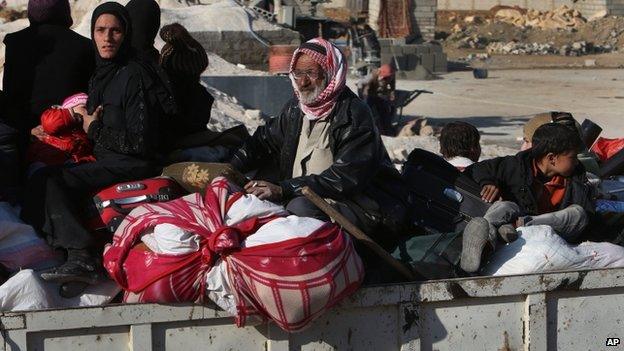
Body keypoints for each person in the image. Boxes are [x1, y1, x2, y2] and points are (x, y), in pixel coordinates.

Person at [20, 2, 165, 284]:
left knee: (51, 182)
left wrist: (94, 127)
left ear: (127, 34)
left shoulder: (134, 76)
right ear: (92, 33)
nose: (107, 38)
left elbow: (140, 141)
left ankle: (82, 255)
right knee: (39, 177)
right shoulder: (102, 75)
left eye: (115, 31)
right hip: (107, 158)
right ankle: (65, 249)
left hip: (131, 163)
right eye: (100, 30)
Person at [230, 38, 408, 251]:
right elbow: (263, 141)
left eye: (311, 73)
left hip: (359, 207)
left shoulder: (354, 114)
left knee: (298, 207)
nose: (303, 82)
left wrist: (284, 189)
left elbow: (345, 177)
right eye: (297, 73)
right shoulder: (296, 109)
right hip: (304, 194)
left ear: (331, 72)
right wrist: (231, 169)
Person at [461, 123, 595, 272]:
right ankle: (483, 242)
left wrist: (520, 224)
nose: (577, 161)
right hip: (511, 228)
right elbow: (476, 169)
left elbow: (584, 220)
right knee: (505, 206)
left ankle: (513, 226)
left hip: (546, 230)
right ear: (552, 158)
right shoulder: (515, 165)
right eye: (573, 156)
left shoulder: (577, 178)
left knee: (578, 214)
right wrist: (488, 182)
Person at [2, 0, 94, 149]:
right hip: (69, 135)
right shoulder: (84, 46)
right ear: (64, 11)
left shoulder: (15, 43)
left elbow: (10, 96)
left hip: (23, 136)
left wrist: (27, 130)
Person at [356, 64, 396, 135]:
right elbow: (361, 85)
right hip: (367, 93)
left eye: (389, 77)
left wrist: (391, 94)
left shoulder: (391, 76)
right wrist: (364, 99)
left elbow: (392, 87)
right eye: (386, 78)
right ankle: (376, 130)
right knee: (374, 114)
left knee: (385, 112)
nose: (388, 79)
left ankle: (388, 129)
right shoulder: (372, 76)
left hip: (379, 95)